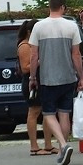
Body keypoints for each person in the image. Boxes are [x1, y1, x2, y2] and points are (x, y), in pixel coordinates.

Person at [28, 0, 83, 165]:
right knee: (64, 114)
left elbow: (33, 55)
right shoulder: (71, 26)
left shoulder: (39, 27)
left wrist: (32, 77)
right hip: (68, 77)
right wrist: (81, 76)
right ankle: (62, 150)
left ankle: (63, 145)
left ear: (49, 7)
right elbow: (76, 54)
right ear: (63, 7)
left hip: (48, 78)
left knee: (49, 114)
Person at [17, 19, 54, 156]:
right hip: (31, 82)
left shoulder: (34, 45)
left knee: (47, 112)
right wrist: (40, 61)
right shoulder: (25, 46)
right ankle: (34, 146)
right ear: (29, 32)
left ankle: (48, 144)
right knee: (34, 112)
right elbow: (25, 68)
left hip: (42, 80)